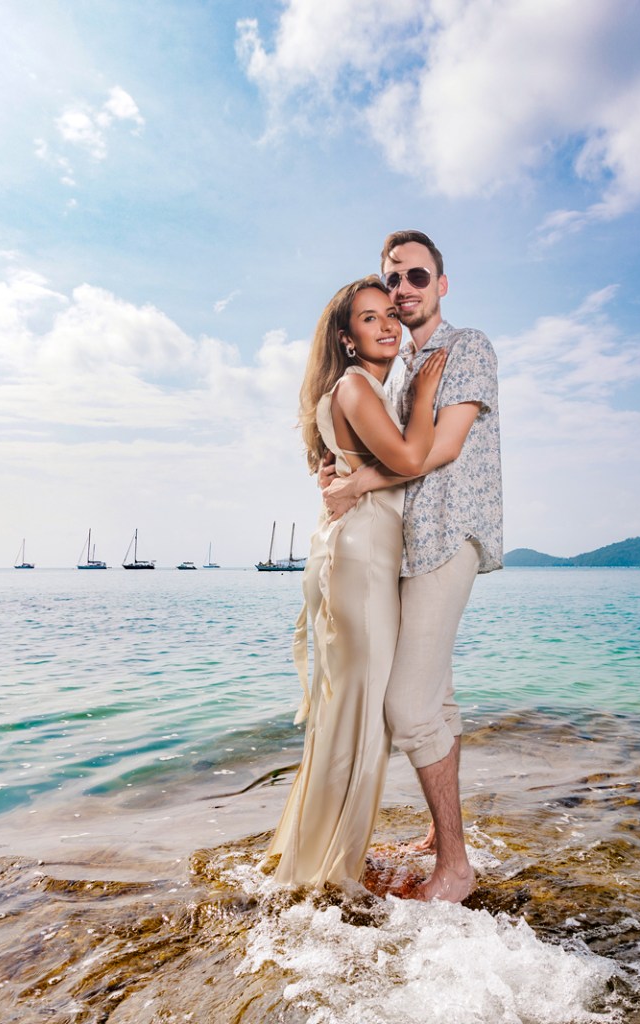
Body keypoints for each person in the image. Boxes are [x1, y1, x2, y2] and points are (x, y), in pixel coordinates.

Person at [321, 230, 503, 902]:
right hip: (408, 544)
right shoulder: (402, 373)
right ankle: (439, 835)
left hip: (448, 536)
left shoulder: (467, 347)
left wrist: (355, 484)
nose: (402, 291)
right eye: (392, 278)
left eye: (416, 277)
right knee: (439, 698)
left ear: (441, 285)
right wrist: (344, 470)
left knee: (407, 706)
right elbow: (395, 453)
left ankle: (455, 868)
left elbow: (440, 449)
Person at [266, 275, 448, 889]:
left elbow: (377, 465)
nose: (387, 326)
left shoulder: (358, 387)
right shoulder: (354, 386)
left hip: (360, 554)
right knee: (361, 717)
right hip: (365, 559)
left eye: (389, 315)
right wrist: (424, 396)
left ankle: (316, 851)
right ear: (347, 339)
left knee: (348, 712)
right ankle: (329, 867)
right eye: (370, 319)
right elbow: (410, 459)